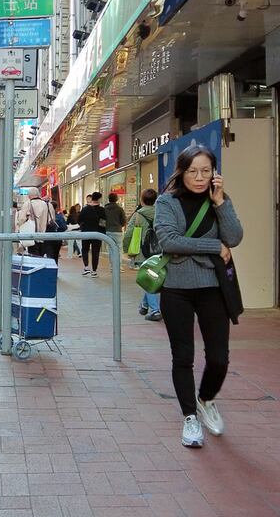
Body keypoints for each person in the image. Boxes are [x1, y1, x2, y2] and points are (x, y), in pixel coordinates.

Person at [154, 145, 242, 449]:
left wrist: (220, 203)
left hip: (213, 287)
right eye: (193, 171)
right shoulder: (167, 202)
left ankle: (206, 399)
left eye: (206, 171)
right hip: (176, 289)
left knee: (219, 358)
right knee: (183, 356)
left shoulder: (218, 201)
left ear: (215, 173)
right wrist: (213, 247)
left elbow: (234, 238)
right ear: (182, 171)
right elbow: (169, 240)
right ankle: (190, 418)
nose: (199, 177)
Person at [123, 188, 161, 320]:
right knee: (150, 278)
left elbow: (128, 233)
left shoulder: (138, 215)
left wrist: (126, 249)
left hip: (143, 251)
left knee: (148, 280)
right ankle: (144, 305)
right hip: (159, 250)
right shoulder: (161, 212)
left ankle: (155, 310)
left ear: (142, 200)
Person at [16, 188, 55, 257]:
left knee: (34, 256)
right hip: (46, 236)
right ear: (38, 194)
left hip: (32, 236)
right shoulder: (48, 205)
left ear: (29, 196)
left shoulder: (27, 204)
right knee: (45, 256)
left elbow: (21, 219)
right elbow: (52, 219)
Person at [78, 192, 106, 277]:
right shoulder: (102, 210)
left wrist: (84, 226)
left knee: (85, 250)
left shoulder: (85, 209)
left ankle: (86, 267)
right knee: (95, 252)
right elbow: (103, 223)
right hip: (97, 234)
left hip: (86, 232)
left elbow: (79, 220)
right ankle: (94, 271)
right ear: (99, 199)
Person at [104, 192, 127, 271]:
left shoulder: (105, 209)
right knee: (119, 249)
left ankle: (112, 266)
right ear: (116, 199)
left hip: (107, 231)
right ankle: (118, 266)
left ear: (109, 199)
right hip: (117, 231)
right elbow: (124, 220)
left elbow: (102, 220)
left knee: (111, 249)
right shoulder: (119, 209)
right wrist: (121, 225)